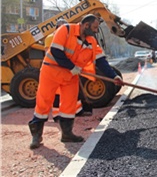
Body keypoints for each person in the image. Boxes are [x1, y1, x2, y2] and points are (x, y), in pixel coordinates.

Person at [28, 14, 123, 149]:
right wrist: (72, 67)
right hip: (51, 72)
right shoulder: (65, 30)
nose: (96, 31)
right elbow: (56, 51)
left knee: (69, 105)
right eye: (95, 27)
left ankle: (67, 134)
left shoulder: (91, 41)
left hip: (70, 76)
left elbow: (101, 61)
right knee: (43, 103)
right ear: (86, 25)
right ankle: (36, 137)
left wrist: (114, 76)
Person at [44, 19, 85, 122]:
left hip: (68, 68)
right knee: (57, 93)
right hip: (56, 69)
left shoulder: (69, 37)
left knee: (73, 91)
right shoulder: (51, 38)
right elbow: (52, 54)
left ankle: (77, 110)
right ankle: (57, 115)